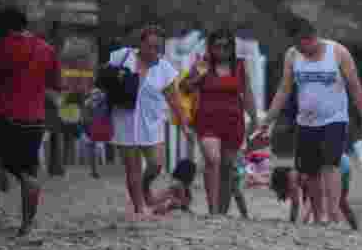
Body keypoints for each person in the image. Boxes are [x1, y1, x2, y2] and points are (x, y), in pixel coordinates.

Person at [254, 17, 362, 224]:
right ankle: (319, 216)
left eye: (301, 45)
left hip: (334, 119)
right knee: (310, 171)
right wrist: (268, 119)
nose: (299, 50)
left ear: (310, 38)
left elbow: (355, 87)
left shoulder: (338, 53)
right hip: (306, 122)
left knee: (331, 164)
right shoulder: (292, 55)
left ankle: (333, 213)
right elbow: (284, 90)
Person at [0, 7, 62, 236]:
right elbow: (57, 84)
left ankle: (5, 201)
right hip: (36, 119)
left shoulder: (2, 46)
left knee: (13, 167)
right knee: (29, 166)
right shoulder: (47, 48)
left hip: (8, 116)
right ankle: (26, 224)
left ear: (4, 27)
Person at [107, 25, 185, 220]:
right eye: (150, 46)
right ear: (141, 43)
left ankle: (144, 187)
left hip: (151, 123)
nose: (153, 51)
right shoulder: (122, 57)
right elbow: (104, 79)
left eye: (158, 47)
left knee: (156, 164)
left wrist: (184, 124)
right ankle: (140, 207)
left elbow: (174, 98)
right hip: (124, 119)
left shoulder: (164, 68)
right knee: (132, 167)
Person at [180, 29, 257, 215]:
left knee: (227, 166)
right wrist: (199, 76)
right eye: (217, 46)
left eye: (226, 46)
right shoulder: (202, 63)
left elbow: (246, 93)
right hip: (207, 121)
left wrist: (254, 118)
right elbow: (184, 88)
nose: (222, 50)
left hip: (233, 122)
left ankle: (222, 211)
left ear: (232, 47)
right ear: (210, 47)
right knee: (212, 160)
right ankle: (212, 209)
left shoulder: (240, 65)